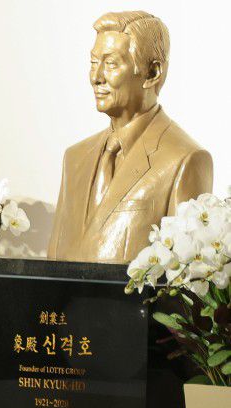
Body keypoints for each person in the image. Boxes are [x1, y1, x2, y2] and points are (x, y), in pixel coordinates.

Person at [48, 11, 213, 263]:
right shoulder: (74, 159)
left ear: (152, 73)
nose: (96, 78)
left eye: (111, 64)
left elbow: (184, 278)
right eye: (94, 62)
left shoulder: (185, 161)